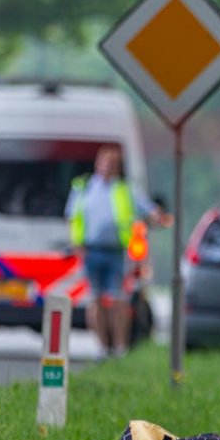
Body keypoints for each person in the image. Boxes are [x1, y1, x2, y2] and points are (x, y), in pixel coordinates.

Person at [65, 145, 170, 358]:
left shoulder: (125, 190)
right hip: (91, 252)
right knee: (95, 301)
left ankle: (120, 347)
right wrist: (78, 246)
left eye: (112, 164)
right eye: (104, 162)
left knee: (119, 301)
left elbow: (148, 209)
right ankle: (102, 348)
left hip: (117, 252)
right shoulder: (84, 188)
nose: (107, 167)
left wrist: (158, 216)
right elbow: (73, 217)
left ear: (118, 168)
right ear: (97, 164)